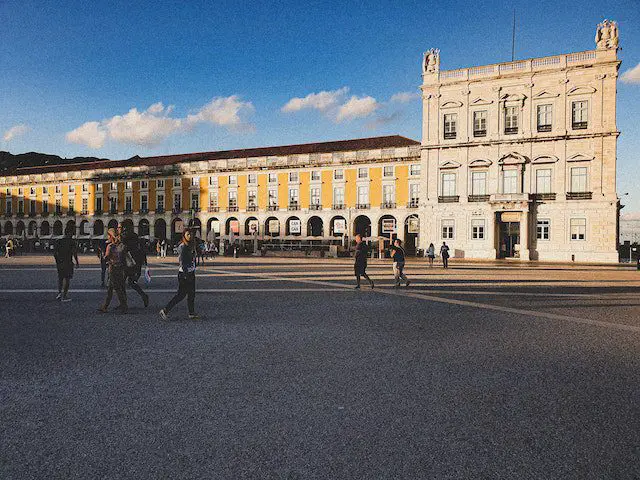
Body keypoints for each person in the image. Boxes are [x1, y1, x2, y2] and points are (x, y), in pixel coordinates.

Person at [160, 229, 199, 320]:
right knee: (181, 295)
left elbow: (192, 258)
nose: (190, 236)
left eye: (191, 234)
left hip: (190, 272)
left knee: (191, 294)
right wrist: (186, 274)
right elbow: (182, 261)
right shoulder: (183, 246)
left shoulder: (190, 245)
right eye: (188, 234)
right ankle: (165, 310)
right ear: (184, 235)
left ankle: (191, 313)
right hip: (184, 274)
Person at [119, 220, 150, 307]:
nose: (119, 229)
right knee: (131, 282)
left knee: (122, 283)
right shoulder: (134, 236)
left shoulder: (125, 236)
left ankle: (123, 303)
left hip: (129, 262)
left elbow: (121, 246)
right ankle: (143, 295)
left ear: (124, 227)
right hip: (134, 262)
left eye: (120, 227)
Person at [98, 228, 128, 313]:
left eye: (108, 235)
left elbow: (106, 257)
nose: (107, 237)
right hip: (120, 268)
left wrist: (103, 256)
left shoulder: (110, 246)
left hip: (113, 269)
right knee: (110, 289)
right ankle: (105, 306)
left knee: (117, 289)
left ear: (111, 236)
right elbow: (123, 258)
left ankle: (124, 306)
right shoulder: (122, 245)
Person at [53, 224, 79, 302]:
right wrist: (77, 262)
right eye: (72, 233)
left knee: (60, 278)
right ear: (69, 233)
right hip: (68, 263)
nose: (72, 235)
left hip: (60, 263)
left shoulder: (59, 241)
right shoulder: (72, 242)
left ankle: (59, 293)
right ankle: (64, 295)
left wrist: (57, 261)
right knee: (67, 279)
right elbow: (74, 252)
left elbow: (55, 253)